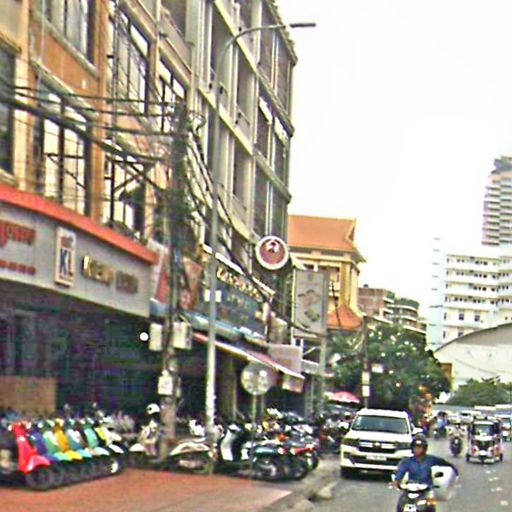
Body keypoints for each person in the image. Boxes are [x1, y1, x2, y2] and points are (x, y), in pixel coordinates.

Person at [393, 435, 458, 511]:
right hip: (411, 488)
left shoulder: (430, 459)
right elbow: (401, 471)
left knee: (431, 504)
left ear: (424, 449)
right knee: (401, 503)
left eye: (420, 447)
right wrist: (397, 481)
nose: (417, 449)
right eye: (415, 447)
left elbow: (444, 463)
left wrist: (454, 470)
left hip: (426, 489)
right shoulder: (408, 461)